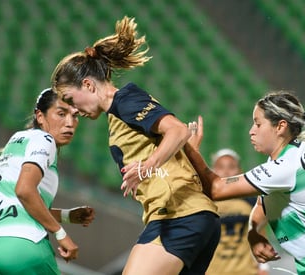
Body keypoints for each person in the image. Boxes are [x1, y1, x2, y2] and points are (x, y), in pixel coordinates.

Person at [50, 16, 220, 275]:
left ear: (87, 84)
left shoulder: (125, 100)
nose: (74, 109)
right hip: (196, 218)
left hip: (177, 216)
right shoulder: (119, 113)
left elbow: (177, 130)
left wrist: (147, 166)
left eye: (71, 99)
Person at [185, 91, 305, 275]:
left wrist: (191, 150)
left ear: (280, 127)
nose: (251, 130)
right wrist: (253, 233)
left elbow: (216, 188)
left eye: (258, 124)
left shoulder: (285, 167)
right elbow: (262, 206)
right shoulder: (291, 155)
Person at [0, 88, 95, 274]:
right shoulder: (44, 139)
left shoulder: (17, 139)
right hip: (22, 244)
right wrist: (61, 233)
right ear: (40, 116)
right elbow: (24, 190)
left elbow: (17, 205)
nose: (70, 123)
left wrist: (67, 216)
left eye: (75, 116)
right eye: (61, 114)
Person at [206, 148, 269, 275]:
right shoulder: (205, 202)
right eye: (220, 167)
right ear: (213, 171)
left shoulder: (252, 202)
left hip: (245, 271)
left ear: (240, 171)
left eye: (231, 166)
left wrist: (263, 267)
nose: (226, 171)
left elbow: (260, 234)